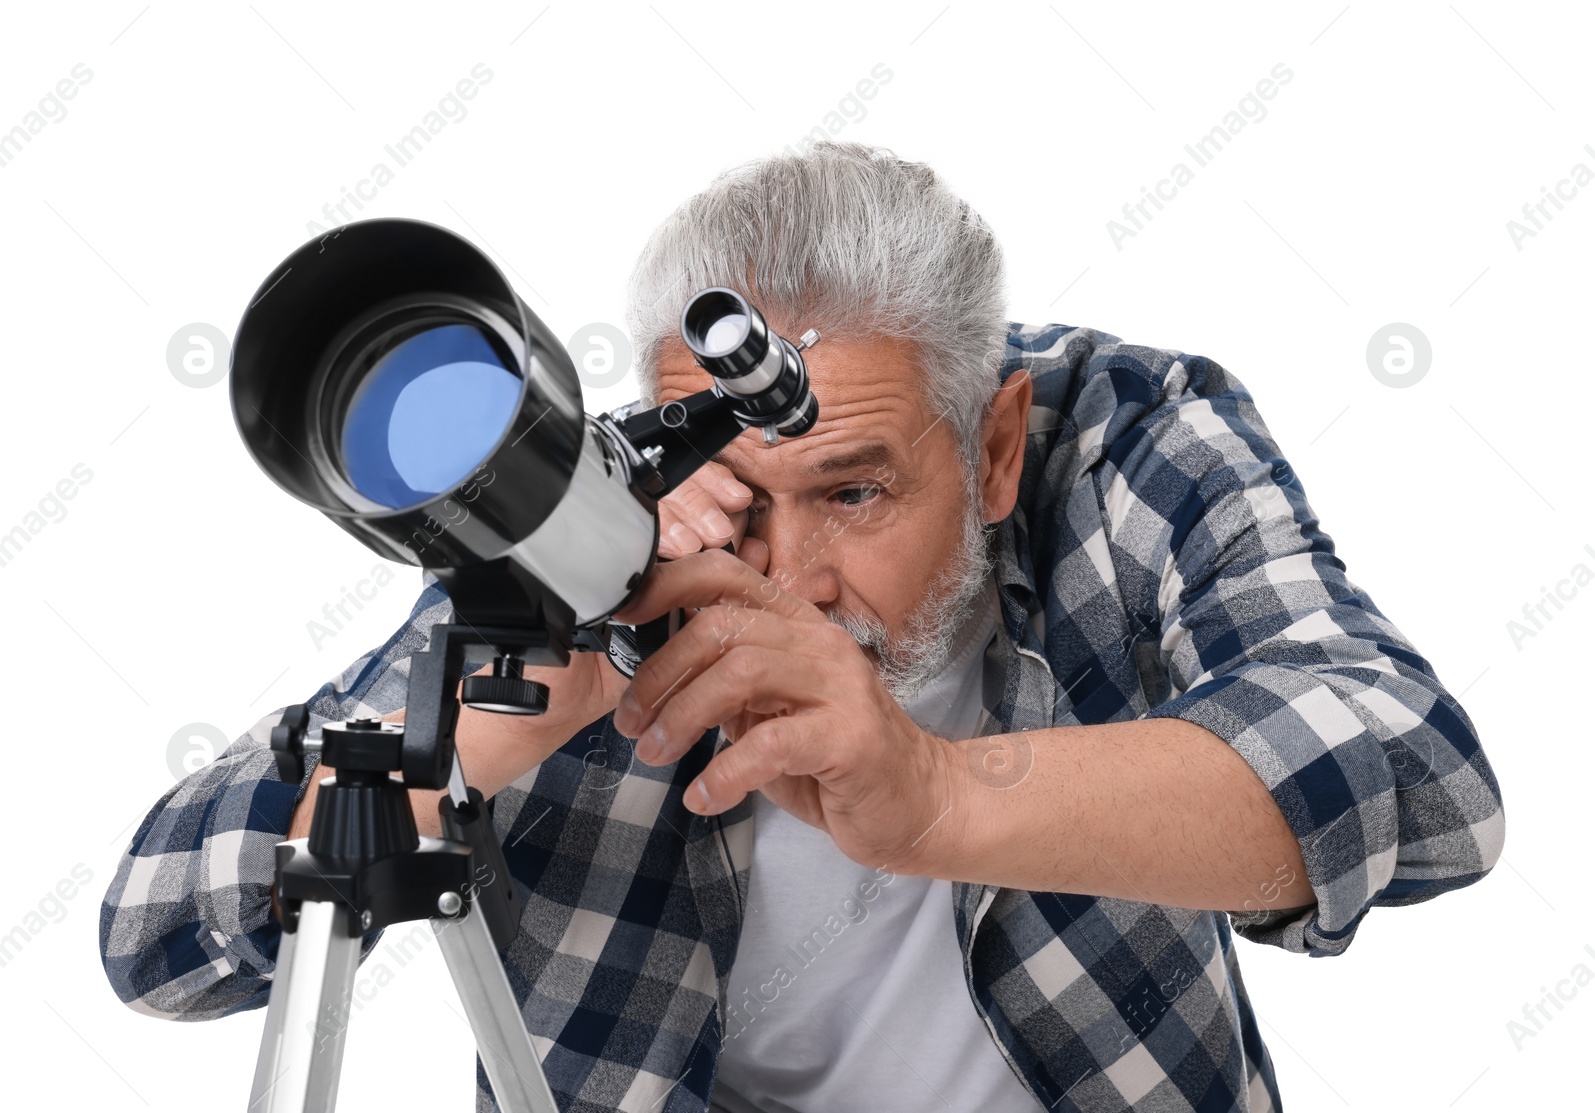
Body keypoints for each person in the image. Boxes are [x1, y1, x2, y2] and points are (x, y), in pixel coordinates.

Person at [100, 141, 1505, 1113]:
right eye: (747, 498)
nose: (796, 577)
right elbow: (154, 936)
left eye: (856, 489)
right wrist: (469, 740)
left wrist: (938, 790)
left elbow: (1418, 772)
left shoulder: (1110, 438)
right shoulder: (591, 541)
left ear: (996, 442)